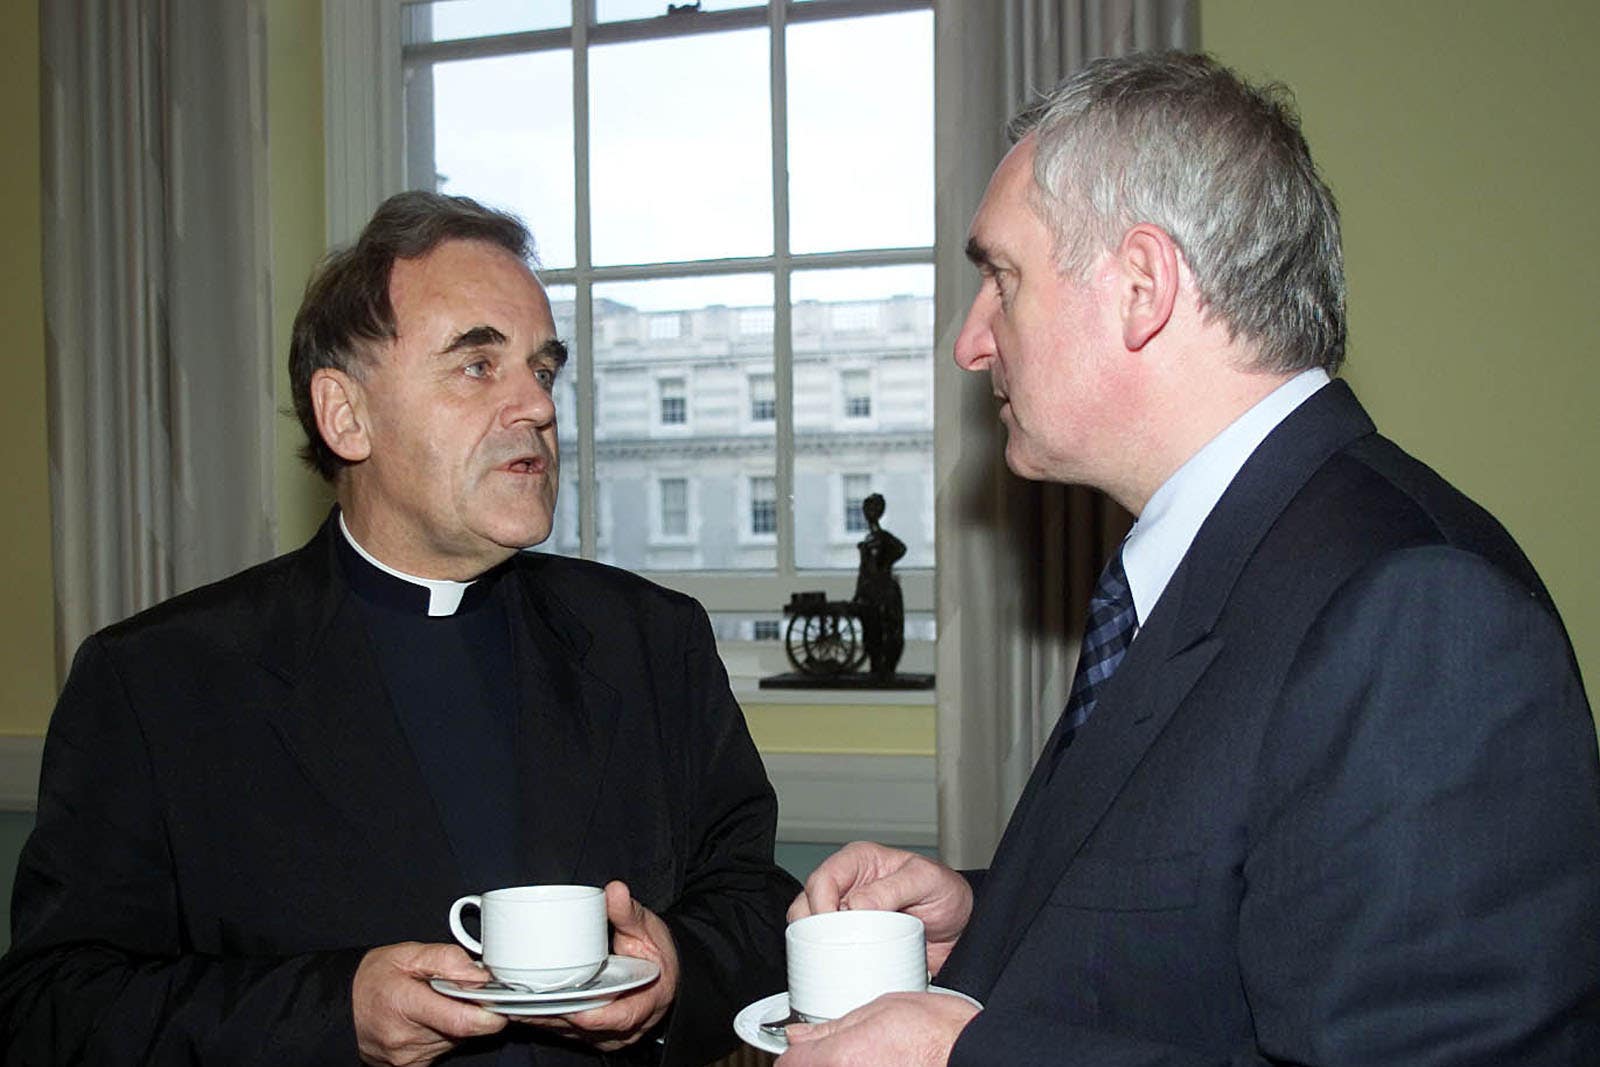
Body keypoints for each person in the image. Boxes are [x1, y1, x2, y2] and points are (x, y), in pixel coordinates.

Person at [782, 52, 1600, 1066]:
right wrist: (981, 918)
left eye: (1001, 277)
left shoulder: (1417, 609)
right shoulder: (1216, 555)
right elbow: (1233, 914)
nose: (970, 340)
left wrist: (969, 1056)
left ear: (1140, 286)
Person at [0, 191, 797, 1067]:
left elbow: (756, 903)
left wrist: (677, 966)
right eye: (477, 366)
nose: (535, 405)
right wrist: (331, 1014)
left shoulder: (650, 640)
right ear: (347, 415)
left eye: (544, 368)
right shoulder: (158, 682)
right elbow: (52, 1007)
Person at [851, 493, 906, 679]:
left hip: (882, 592)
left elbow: (900, 549)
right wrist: (859, 592)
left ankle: (885, 668)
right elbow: (864, 570)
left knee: (887, 629)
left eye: (873, 509)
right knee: (871, 632)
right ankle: (877, 667)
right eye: (867, 509)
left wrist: (884, 565)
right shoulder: (871, 538)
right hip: (869, 591)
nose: (869, 514)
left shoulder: (883, 537)